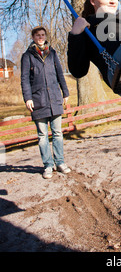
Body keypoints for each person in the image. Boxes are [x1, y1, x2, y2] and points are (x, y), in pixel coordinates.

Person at [21, 26, 71, 179]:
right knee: (42, 136)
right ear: (33, 37)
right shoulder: (27, 56)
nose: (41, 37)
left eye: (43, 35)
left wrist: (65, 92)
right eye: (38, 35)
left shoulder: (53, 53)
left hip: (54, 98)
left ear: (45, 36)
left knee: (57, 133)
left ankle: (60, 162)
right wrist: (28, 98)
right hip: (38, 100)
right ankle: (48, 165)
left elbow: (59, 74)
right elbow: (24, 79)